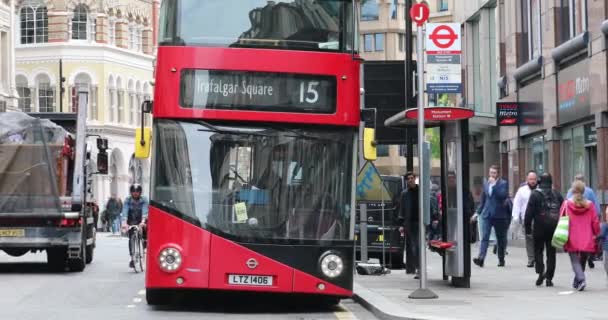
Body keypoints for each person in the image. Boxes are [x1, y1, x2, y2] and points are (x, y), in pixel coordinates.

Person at [524, 173, 563, 287]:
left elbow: (528, 213)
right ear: (551, 183)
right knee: (551, 253)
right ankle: (549, 278)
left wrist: (527, 229)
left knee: (538, 251)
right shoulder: (557, 194)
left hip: (539, 228)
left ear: (540, 182)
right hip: (553, 227)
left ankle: (540, 272)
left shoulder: (535, 195)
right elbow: (564, 209)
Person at [563, 180, 600, 291]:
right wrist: (596, 233)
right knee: (582, 259)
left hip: (572, 236)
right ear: (584, 191)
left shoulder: (567, 204)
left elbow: (561, 219)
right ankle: (578, 280)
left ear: (572, 190)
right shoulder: (590, 205)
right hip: (587, 237)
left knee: (575, 260)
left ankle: (581, 279)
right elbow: (595, 221)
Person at [472, 165, 510, 267]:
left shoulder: (503, 183)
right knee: (484, 237)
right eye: (490, 172)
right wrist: (477, 212)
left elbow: (502, 196)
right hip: (487, 214)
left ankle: (501, 258)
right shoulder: (486, 182)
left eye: (494, 173)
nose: (492, 175)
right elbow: (483, 199)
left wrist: (494, 186)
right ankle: (481, 258)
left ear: (498, 174)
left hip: (499, 215)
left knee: (500, 238)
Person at [566, 174, 600, 268]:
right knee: (585, 249)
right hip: (586, 228)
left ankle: (579, 274)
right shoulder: (590, 191)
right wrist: (596, 231)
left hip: (573, 230)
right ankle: (584, 266)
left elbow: (565, 212)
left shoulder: (569, 194)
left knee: (575, 253)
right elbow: (596, 209)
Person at [512, 171, 539, 268]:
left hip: (539, 219)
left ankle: (537, 257)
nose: (532, 181)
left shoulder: (540, 190)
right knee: (529, 239)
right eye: (531, 179)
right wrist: (516, 217)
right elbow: (517, 204)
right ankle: (531, 259)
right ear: (527, 179)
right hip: (526, 219)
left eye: (534, 179)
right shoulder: (521, 190)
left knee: (537, 239)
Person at [121, 184, 149, 268]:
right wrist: (124, 222)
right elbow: (125, 210)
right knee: (131, 237)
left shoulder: (144, 199)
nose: (135, 193)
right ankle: (132, 257)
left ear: (140, 192)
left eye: (137, 192)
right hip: (131, 219)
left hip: (142, 218)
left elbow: (145, 210)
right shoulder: (127, 200)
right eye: (133, 192)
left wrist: (143, 221)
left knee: (144, 231)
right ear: (131, 192)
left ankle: (144, 246)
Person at [398, 172, 420, 277]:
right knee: (413, 247)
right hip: (409, 223)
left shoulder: (420, 191)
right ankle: (415, 268)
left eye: (412, 178)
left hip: (419, 222)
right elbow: (401, 210)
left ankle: (419, 268)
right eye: (408, 179)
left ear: (415, 179)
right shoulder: (404, 194)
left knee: (418, 246)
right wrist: (401, 224)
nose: (410, 180)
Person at [598, 207, 608, 279]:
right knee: (605, 263)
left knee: (606, 263)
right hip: (606, 247)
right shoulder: (604, 225)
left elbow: (601, 235)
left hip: (606, 247)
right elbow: (601, 235)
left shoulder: (604, 225)